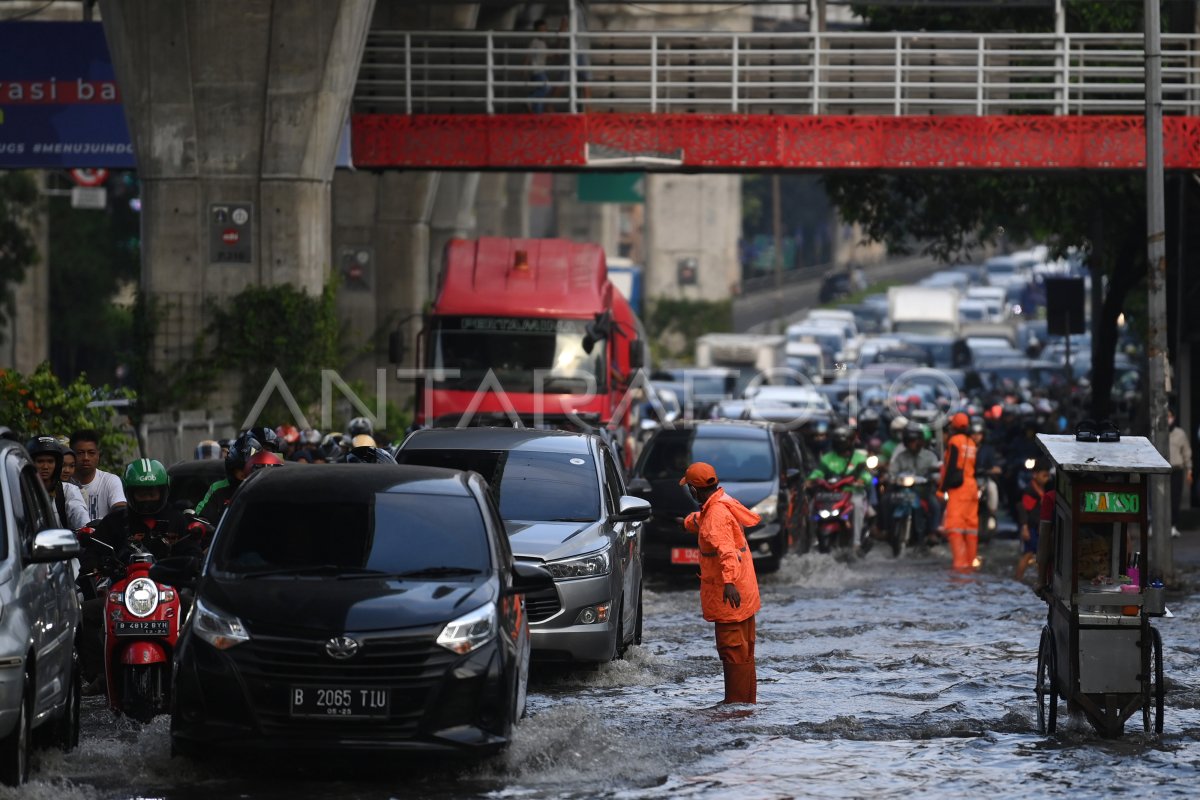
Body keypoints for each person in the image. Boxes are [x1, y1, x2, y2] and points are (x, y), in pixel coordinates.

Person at [79, 459, 200, 690]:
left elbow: (192, 549)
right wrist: (93, 565)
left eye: (152, 492)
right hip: (123, 594)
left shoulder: (177, 519)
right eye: (141, 494)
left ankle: (191, 670)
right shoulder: (115, 521)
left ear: (163, 491)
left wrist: (190, 563)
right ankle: (100, 674)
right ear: (130, 493)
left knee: (198, 615)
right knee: (83, 614)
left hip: (168, 592)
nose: (148, 499)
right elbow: (93, 550)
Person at [680, 462, 761, 705]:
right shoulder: (721, 503)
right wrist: (687, 522)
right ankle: (745, 704)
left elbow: (726, 551)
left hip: (731, 596)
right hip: (745, 594)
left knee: (733, 650)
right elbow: (707, 522)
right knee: (744, 651)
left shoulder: (715, 515)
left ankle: (735, 707)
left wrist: (728, 583)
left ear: (694, 491)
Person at [808, 426, 872, 551]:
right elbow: (819, 472)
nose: (841, 445)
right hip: (831, 494)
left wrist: (862, 480)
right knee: (812, 505)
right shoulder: (827, 458)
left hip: (852, 492)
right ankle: (811, 539)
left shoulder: (859, 458)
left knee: (857, 505)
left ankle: (856, 542)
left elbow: (866, 474)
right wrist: (811, 480)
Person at [885, 424, 940, 543]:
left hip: (923, 490)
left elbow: (937, 472)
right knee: (886, 501)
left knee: (935, 504)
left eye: (914, 441)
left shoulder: (930, 456)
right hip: (903, 490)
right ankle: (884, 529)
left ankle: (932, 532)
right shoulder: (900, 457)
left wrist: (934, 477)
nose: (912, 444)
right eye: (909, 441)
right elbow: (892, 472)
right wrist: (890, 478)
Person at [939, 413, 979, 571]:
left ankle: (959, 564)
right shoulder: (972, 443)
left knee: (955, 526)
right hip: (972, 487)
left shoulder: (955, 441)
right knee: (971, 527)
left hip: (959, 489)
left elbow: (950, 467)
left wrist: (942, 489)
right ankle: (970, 563)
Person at [195, 434, 261, 525]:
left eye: (249, 468)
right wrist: (200, 524)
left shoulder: (266, 488)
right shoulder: (217, 488)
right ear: (232, 468)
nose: (244, 472)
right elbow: (201, 517)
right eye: (239, 467)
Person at [27, 436, 89, 529]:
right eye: (40, 461)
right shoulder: (22, 492)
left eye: (50, 461)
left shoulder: (68, 490)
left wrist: (86, 529)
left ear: (57, 464)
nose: (45, 466)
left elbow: (79, 513)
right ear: (31, 463)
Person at [69, 429, 127, 521]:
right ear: (71, 455)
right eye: (80, 453)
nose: (86, 458)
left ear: (98, 455)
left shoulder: (110, 481)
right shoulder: (63, 484)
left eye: (91, 453)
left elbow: (121, 510)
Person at [1014, 459, 1051, 581]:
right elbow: (1023, 509)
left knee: (1036, 554)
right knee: (1028, 554)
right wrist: (1024, 527)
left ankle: (1040, 578)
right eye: (1044, 475)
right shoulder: (1030, 491)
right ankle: (1018, 578)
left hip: (1036, 527)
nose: (1046, 478)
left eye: (1047, 475)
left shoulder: (1041, 489)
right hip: (1030, 528)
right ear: (1035, 475)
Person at [1168, 408, 1190, 538]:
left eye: (1170, 416)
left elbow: (1186, 452)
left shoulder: (1180, 434)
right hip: (1161, 471)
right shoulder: (1157, 433)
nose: (1168, 419)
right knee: (1157, 498)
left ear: (1174, 417)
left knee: (1175, 498)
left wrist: (1189, 470)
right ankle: (1154, 524)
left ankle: (1172, 525)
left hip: (1176, 469)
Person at [526, 18, 550, 112]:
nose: (543, 32)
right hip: (537, 71)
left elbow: (545, 55)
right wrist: (524, 67)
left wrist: (555, 55)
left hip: (541, 70)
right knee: (546, 87)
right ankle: (530, 99)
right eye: (541, 30)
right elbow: (528, 54)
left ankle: (537, 113)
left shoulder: (543, 43)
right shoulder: (534, 42)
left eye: (545, 30)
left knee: (542, 93)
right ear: (536, 31)